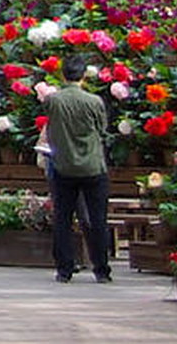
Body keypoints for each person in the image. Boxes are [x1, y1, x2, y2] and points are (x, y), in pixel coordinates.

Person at [43, 54, 113, 283]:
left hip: (63, 166)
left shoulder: (53, 101)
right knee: (97, 219)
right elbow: (102, 130)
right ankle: (101, 269)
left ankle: (64, 269)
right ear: (84, 75)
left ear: (63, 75)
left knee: (63, 218)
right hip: (93, 166)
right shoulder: (94, 102)